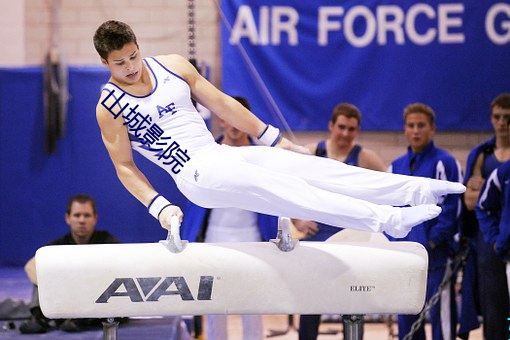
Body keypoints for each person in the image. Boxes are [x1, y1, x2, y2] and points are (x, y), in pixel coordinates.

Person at [93, 20, 464, 247]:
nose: (129, 67)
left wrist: (274, 138)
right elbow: (124, 167)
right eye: (119, 63)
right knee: (291, 192)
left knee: (313, 169)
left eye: (132, 56)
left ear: (139, 46)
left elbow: (223, 103)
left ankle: (413, 189)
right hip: (194, 174)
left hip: (220, 156)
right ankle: (387, 220)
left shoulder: (172, 66)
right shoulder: (110, 106)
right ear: (105, 63)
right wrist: (160, 207)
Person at [181, 96, 278, 340]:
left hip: (254, 239)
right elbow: (191, 197)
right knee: (215, 305)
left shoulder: (262, 159)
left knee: (253, 306)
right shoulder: (204, 154)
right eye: (229, 119)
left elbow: (275, 199)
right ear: (221, 120)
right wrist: (187, 238)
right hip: (214, 238)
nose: (235, 126)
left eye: (239, 120)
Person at [295, 102, 386, 340]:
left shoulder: (365, 158)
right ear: (331, 126)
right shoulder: (311, 152)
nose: (345, 134)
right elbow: (285, 189)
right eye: (341, 127)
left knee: (353, 300)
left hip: (351, 240)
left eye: (351, 129)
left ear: (357, 131)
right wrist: (297, 219)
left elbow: (389, 192)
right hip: (317, 235)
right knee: (310, 302)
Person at [387, 103, 462, 340]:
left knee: (442, 320)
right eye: (411, 126)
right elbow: (388, 209)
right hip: (405, 259)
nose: (416, 131)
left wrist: (432, 241)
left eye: (421, 125)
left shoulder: (445, 163)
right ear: (405, 130)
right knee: (407, 321)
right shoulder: (395, 167)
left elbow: (452, 209)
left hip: (436, 257)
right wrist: (395, 243)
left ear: (432, 129)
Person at [19, 194, 120, 334]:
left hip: (96, 301)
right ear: (68, 218)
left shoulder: (108, 242)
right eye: (77, 215)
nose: (82, 220)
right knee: (42, 270)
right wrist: (60, 283)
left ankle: (80, 319)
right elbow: (30, 266)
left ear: (95, 218)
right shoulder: (57, 246)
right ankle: (38, 318)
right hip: (65, 298)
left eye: (87, 215)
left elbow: (118, 270)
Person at [460, 93, 510, 340]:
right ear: (491, 119)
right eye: (497, 117)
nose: (502, 123)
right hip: (489, 238)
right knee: (493, 304)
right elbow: (469, 202)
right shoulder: (482, 154)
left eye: (507, 118)